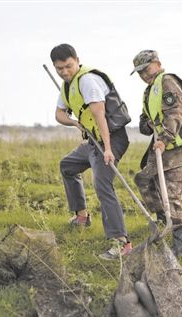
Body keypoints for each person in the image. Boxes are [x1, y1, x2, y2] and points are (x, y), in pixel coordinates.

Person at [50, 43, 132, 260]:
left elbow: (100, 116)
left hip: (111, 138)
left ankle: (121, 243)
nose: (64, 72)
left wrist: (107, 149)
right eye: (59, 69)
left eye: (68, 66)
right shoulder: (67, 85)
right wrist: (75, 123)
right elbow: (58, 114)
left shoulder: (88, 81)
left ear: (77, 60)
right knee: (67, 166)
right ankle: (82, 216)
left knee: (102, 183)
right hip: (92, 141)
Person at [130, 50, 182, 258]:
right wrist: (148, 125)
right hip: (164, 151)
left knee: (172, 197)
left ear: (157, 64)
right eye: (140, 73)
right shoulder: (149, 92)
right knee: (144, 179)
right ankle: (165, 221)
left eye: (146, 69)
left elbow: (176, 113)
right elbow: (144, 124)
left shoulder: (168, 82)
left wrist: (163, 139)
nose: (144, 75)